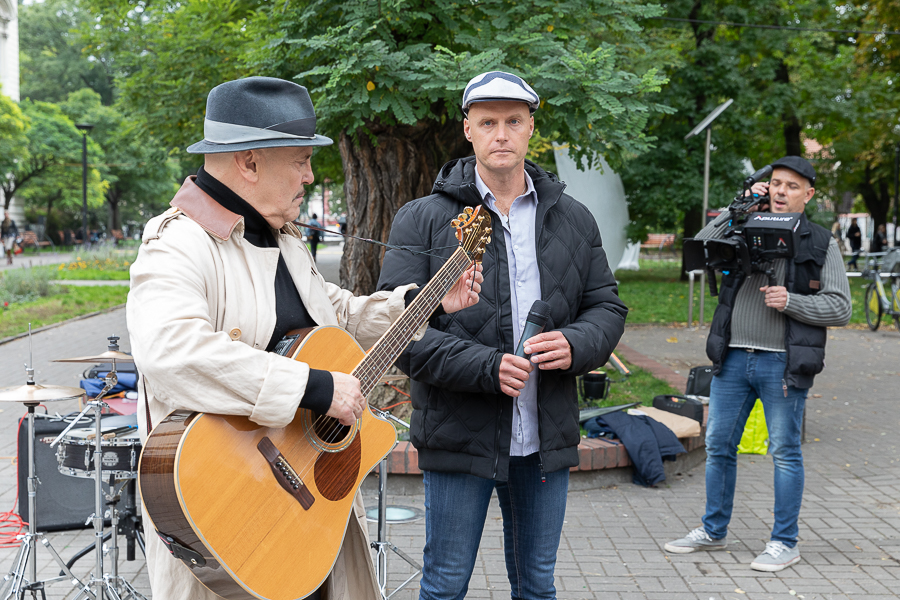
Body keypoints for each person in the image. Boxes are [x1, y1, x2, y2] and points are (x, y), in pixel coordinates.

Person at [127, 76, 482, 600]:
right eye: (299, 160)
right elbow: (171, 352)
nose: (311, 176)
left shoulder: (283, 238)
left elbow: (332, 314)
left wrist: (418, 302)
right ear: (249, 161)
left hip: (302, 514)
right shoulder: (178, 242)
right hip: (228, 517)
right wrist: (314, 388)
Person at [377, 71, 628, 600]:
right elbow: (399, 332)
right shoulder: (422, 220)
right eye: (487, 122)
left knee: (537, 586)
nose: (501, 134)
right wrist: (486, 368)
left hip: (544, 436)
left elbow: (606, 305)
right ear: (468, 129)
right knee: (445, 585)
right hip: (457, 434)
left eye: (513, 121)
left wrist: (576, 343)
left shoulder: (573, 219)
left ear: (531, 127)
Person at [665, 156, 852, 572]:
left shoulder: (821, 242)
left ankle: (785, 543)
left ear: (809, 194)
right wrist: (742, 205)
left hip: (783, 363)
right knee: (718, 446)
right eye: (776, 184)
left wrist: (793, 302)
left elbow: (841, 307)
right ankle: (713, 531)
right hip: (732, 359)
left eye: (791, 186)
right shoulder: (745, 225)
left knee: (784, 452)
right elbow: (701, 245)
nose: (781, 191)